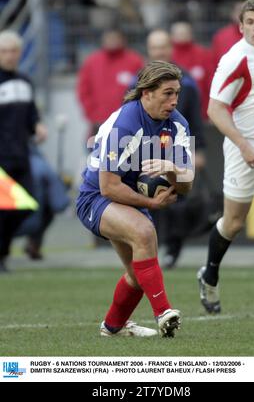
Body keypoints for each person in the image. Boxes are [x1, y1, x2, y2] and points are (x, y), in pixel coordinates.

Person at [77, 60, 194, 337]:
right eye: (167, 93)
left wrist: (173, 170)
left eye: (177, 93)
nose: (174, 100)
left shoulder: (177, 125)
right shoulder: (126, 123)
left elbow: (187, 186)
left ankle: (112, 327)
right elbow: (108, 187)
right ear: (147, 93)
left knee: (138, 275)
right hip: (95, 198)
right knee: (144, 232)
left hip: (128, 200)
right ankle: (163, 312)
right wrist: (152, 204)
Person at [198, 0, 254, 313]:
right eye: (250, 23)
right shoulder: (235, 59)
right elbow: (215, 109)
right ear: (241, 27)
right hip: (243, 150)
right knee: (233, 223)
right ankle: (209, 276)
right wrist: (244, 145)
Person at [145, 29, 206, 269]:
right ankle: (152, 249)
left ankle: (173, 249)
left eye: (163, 46)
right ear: (149, 51)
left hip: (178, 148)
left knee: (177, 201)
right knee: (149, 198)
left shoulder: (186, 81)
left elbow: (195, 118)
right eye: (154, 47)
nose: (159, 51)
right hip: (148, 148)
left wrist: (198, 150)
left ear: (170, 49)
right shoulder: (138, 83)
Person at [0, 30, 47, 272]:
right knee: (3, 209)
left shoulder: (25, 82)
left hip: (21, 155)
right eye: (4, 51)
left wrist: (38, 125)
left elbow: (31, 115)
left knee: (27, 205)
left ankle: (3, 251)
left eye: (13, 51)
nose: (9, 56)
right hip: (1, 158)